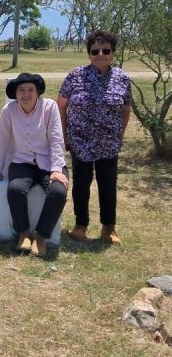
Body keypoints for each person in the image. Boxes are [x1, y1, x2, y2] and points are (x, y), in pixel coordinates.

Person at [57, 30, 132, 245]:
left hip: (108, 142)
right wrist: (63, 135)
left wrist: (121, 134)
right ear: (89, 53)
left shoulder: (122, 78)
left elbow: (126, 109)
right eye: (95, 51)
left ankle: (108, 228)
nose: (101, 54)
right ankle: (81, 225)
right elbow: (61, 106)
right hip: (80, 141)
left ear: (113, 52)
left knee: (108, 184)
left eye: (106, 50)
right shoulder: (75, 75)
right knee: (81, 183)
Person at [0, 73, 69, 257]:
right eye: (21, 90)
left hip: (49, 162)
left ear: (37, 92)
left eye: (30, 90)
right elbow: (2, 141)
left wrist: (56, 169)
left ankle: (40, 236)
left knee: (58, 192)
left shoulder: (49, 107)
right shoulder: (9, 110)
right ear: (15, 93)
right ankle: (23, 233)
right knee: (15, 189)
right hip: (22, 162)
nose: (26, 94)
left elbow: (56, 139)